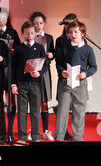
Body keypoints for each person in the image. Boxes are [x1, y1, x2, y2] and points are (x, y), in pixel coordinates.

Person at [54, 21, 97, 141]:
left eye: (76, 32)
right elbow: (59, 63)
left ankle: (78, 137)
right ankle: (59, 138)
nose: (73, 34)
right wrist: (62, 71)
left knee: (79, 111)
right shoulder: (65, 47)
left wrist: (85, 74)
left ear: (82, 33)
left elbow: (94, 67)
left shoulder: (88, 49)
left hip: (80, 84)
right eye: (71, 32)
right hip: (66, 83)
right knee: (62, 112)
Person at [11, 21, 48, 145]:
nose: (30, 35)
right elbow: (14, 67)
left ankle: (36, 135)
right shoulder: (18, 49)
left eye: (32, 33)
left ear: (35, 33)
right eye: (27, 33)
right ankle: (22, 136)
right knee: (21, 110)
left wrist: (39, 72)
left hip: (35, 83)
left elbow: (45, 64)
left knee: (35, 110)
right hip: (22, 83)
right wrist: (13, 84)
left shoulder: (40, 47)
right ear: (23, 34)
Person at [0, 7, 20, 143]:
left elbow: (20, 51)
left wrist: (14, 50)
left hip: (9, 68)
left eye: (4, 17)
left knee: (10, 100)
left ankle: (9, 130)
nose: (2, 20)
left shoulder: (12, 33)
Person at [29, 12, 55, 141]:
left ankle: (45, 130)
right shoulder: (30, 37)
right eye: (36, 23)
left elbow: (53, 54)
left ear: (43, 23)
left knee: (44, 102)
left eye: (40, 23)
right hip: (33, 71)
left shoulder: (49, 38)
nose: (38, 26)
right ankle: (34, 131)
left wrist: (51, 55)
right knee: (33, 101)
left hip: (44, 72)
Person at [55, 13, 78, 140]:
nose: (67, 26)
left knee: (76, 106)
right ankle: (63, 132)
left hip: (77, 77)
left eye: (70, 23)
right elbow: (58, 61)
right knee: (63, 107)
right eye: (66, 23)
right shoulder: (60, 41)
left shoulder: (80, 40)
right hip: (64, 76)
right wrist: (62, 72)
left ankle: (77, 133)